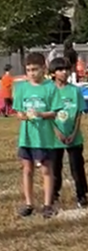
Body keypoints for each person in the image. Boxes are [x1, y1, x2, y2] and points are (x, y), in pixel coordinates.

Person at [12, 52, 62, 218]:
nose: (32, 73)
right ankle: (29, 203)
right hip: (26, 137)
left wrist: (40, 114)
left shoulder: (50, 87)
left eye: (35, 69)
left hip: (44, 137)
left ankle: (48, 204)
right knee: (27, 169)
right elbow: (18, 112)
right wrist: (24, 116)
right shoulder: (22, 88)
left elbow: (55, 112)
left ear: (43, 69)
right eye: (28, 70)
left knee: (46, 170)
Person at [49, 57, 88, 207]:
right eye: (60, 70)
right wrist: (57, 132)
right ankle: (53, 195)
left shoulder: (74, 91)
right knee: (55, 168)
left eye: (66, 69)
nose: (64, 72)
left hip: (74, 137)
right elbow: (48, 115)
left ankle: (81, 194)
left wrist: (73, 133)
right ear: (53, 73)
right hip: (54, 137)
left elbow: (79, 113)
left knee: (77, 167)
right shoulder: (49, 91)